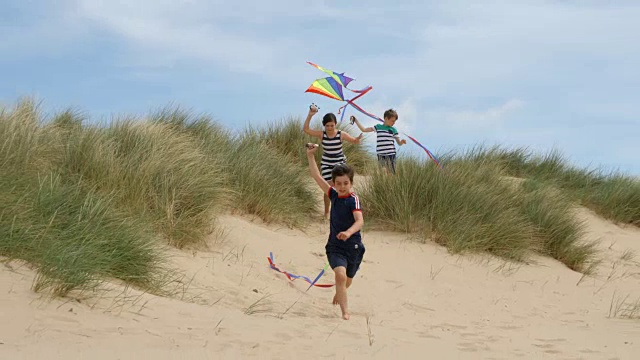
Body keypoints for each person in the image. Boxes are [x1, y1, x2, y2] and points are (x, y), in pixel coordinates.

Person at [305, 143, 364, 320]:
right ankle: (345, 312)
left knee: (347, 279)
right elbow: (316, 176)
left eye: (346, 183)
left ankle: (340, 293)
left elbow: (360, 221)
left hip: (353, 246)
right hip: (335, 246)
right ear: (334, 184)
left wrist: (348, 232)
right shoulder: (333, 195)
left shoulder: (354, 199)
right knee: (340, 275)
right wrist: (310, 155)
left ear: (351, 183)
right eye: (338, 183)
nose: (342, 186)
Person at [303, 104, 363, 218]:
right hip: (326, 162)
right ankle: (326, 212)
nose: (330, 128)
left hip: (339, 161)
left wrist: (358, 139)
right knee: (328, 187)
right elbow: (306, 129)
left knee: (340, 185)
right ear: (324, 125)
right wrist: (310, 115)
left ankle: (343, 210)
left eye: (332, 125)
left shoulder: (341, 134)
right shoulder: (322, 134)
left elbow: (354, 141)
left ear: (335, 124)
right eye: (327, 126)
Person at [351, 109, 406, 174]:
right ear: (386, 118)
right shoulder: (378, 127)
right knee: (383, 171)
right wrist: (356, 120)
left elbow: (399, 143)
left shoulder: (393, 130)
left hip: (391, 154)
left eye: (394, 121)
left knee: (392, 173)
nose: (393, 123)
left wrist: (402, 142)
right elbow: (364, 129)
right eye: (392, 121)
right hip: (381, 154)